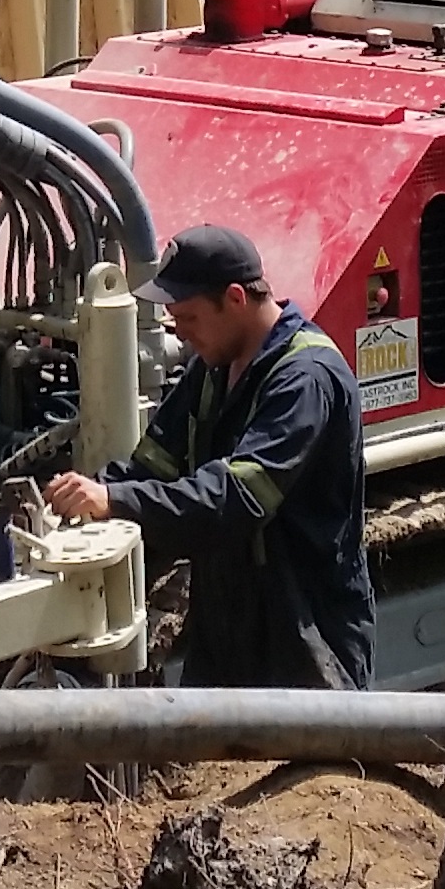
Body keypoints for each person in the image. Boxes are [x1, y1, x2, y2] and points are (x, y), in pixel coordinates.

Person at [45, 221, 373, 688]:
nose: (179, 333)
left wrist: (115, 500)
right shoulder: (213, 368)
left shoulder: (306, 379)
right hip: (228, 627)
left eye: (189, 317)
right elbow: (151, 466)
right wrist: (83, 499)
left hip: (305, 636)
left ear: (235, 299)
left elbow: (238, 498)